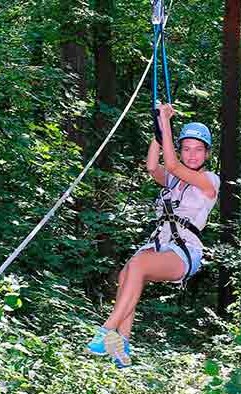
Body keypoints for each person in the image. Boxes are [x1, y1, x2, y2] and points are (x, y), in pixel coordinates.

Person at [85, 104, 221, 368]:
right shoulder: (174, 179)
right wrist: (160, 128)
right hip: (160, 244)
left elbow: (169, 163)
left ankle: (107, 330)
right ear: (180, 150)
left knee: (137, 265)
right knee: (126, 276)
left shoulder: (209, 181)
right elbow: (151, 166)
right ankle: (121, 347)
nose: (192, 154)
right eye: (186, 148)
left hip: (185, 250)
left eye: (198, 149)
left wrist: (166, 122)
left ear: (207, 153)